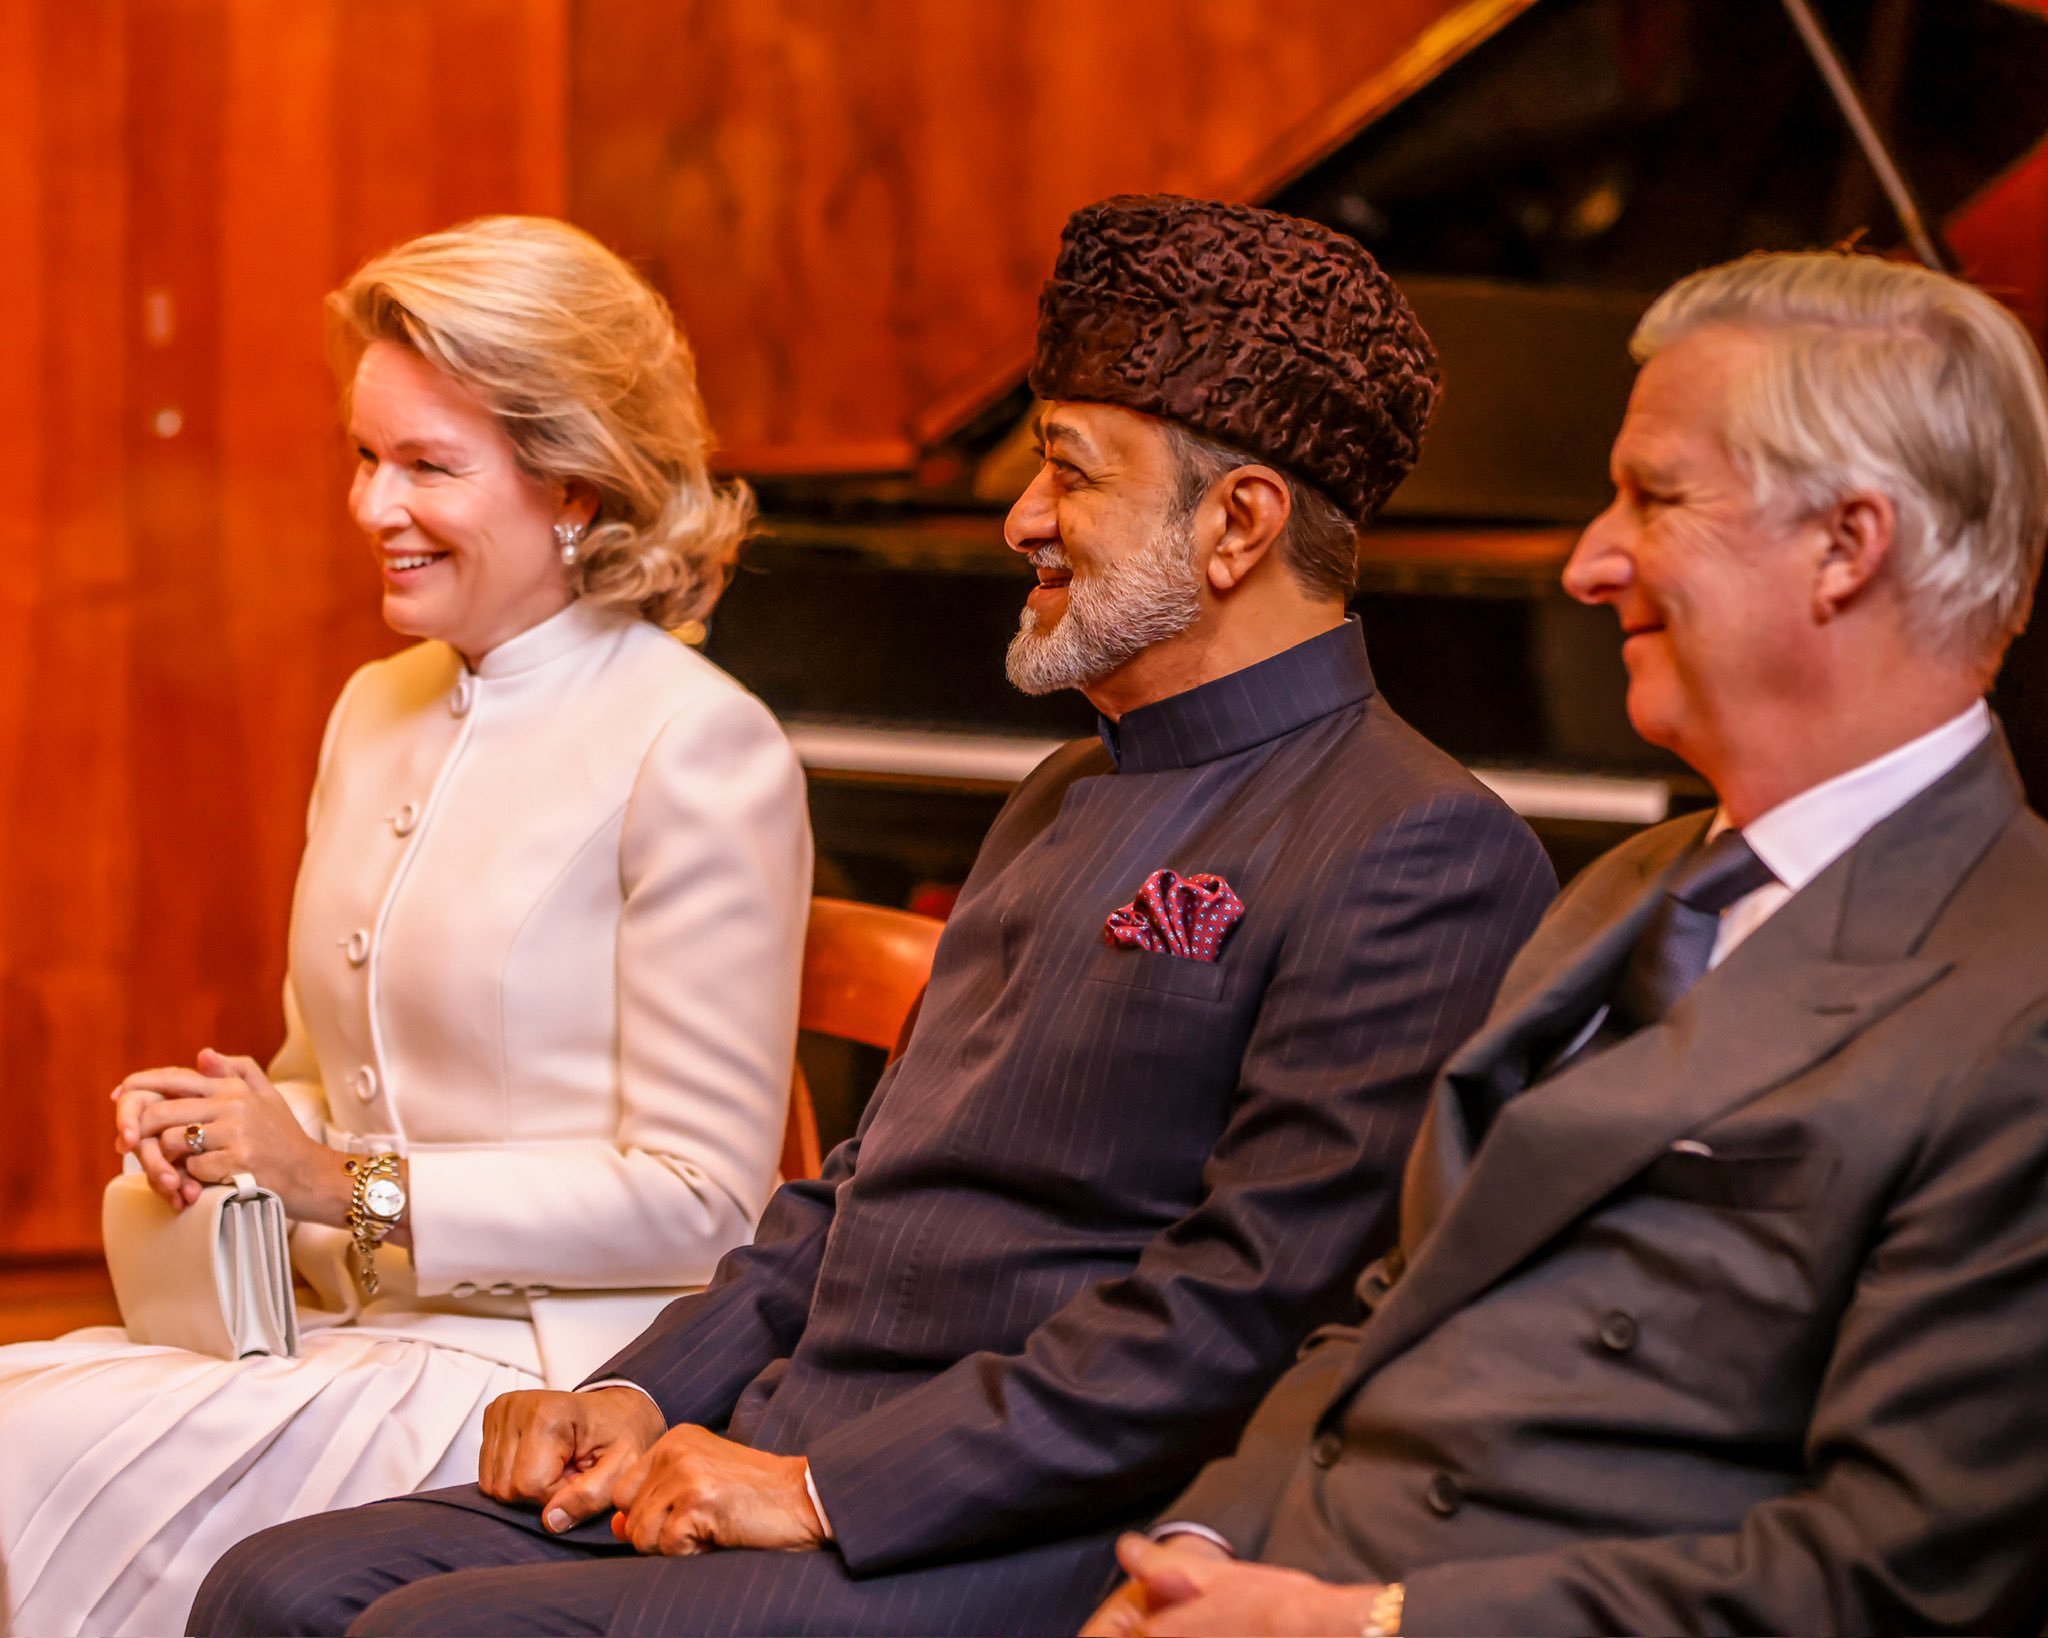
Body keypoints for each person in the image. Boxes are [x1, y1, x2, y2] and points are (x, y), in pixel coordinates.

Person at [192, 196, 1556, 1637]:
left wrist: (825, 1483)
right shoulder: (1057, 793)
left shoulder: (1422, 846)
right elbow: (850, 1193)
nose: (1021, 518)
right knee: (275, 1585)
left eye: (1068, 474)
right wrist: (638, 1387)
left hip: (1004, 1520)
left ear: (1238, 523)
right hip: (775, 1441)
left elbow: (1236, 1314)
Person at [1081, 247, 2048, 1637]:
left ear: (1848, 544)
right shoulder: (1627, 887)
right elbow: (1394, 1303)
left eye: (1654, 497)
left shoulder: (2017, 1001)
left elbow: (1885, 1579)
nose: (1586, 561)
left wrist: (1361, 1627)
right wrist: (1191, 1551)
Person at [0, 216, 812, 1638]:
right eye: (364, 455)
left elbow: (707, 1200)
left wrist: (343, 1182)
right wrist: (226, 1125)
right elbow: (325, 1067)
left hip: (548, 1385)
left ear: (575, 486)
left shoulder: (696, 748)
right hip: (345, 1332)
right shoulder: (375, 708)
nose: (374, 505)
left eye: (430, 466)